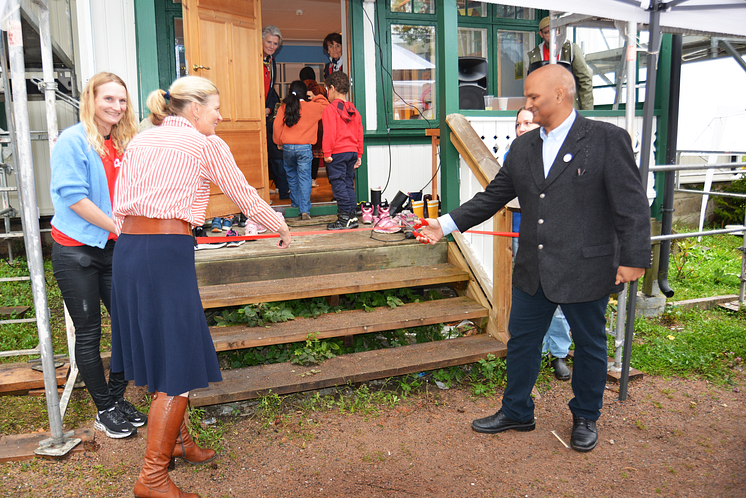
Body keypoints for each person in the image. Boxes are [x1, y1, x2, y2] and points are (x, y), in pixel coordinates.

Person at [416, 64, 650, 452]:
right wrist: (444, 224)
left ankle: (586, 415)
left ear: (560, 94)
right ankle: (517, 411)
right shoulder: (523, 147)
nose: (527, 104)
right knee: (522, 341)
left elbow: (631, 204)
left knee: (590, 345)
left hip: (586, 266)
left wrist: (634, 257)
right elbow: (494, 196)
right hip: (534, 268)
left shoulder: (607, 139)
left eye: (533, 97)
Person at [111, 76, 291, 497]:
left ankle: (176, 442)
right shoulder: (205, 144)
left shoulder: (140, 140)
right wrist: (279, 225)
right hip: (164, 252)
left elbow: (119, 203)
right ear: (193, 110)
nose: (221, 115)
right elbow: (244, 194)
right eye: (215, 107)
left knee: (165, 351)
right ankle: (152, 478)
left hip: (128, 252)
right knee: (176, 363)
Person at [49, 72, 145, 440]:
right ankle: (104, 409)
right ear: (90, 99)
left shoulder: (123, 142)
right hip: (76, 252)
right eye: (109, 99)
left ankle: (116, 399)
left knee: (127, 326)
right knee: (89, 333)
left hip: (114, 249)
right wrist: (119, 227)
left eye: (122, 101)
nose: (117, 108)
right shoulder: (72, 141)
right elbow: (74, 198)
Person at [510, 107, 572, 382]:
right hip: (523, 240)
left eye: (528, 123)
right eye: (518, 124)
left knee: (557, 304)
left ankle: (559, 353)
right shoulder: (515, 153)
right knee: (529, 305)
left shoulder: (560, 153)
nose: (522, 128)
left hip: (558, 245)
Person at [273, 80, 329, 220]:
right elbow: (327, 106)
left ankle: (295, 204)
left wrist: (279, 142)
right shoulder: (313, 107)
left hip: (287, 147)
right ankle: (304, 211)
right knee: (305, 178)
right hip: (304, 147)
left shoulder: (284, 107)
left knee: (291, 176)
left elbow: (276, 126)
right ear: (305, 93)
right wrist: (315, 96)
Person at [322, 71, 363, 230]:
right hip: (352, 152)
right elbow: (360, 134)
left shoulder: (330, 110)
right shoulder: (354, 111)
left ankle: (344, 218)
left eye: (327, 89)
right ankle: (352, 217)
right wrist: (359, 154)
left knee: (338, 184)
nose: (327, 93)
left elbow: (330, 133)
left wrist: (327, 153)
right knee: (348, 184)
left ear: (332, 88)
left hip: (337, 153)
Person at [528, 16, 594, 111]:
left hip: (568, 107)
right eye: (547, 32)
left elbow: (584, 81)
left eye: (555, 30)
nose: (552, 34)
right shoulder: (535, 54)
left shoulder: (571, 49)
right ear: (541, 34)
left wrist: (587, 113)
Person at [263, 25, 290, 201]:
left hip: (265, 113)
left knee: (275, 152)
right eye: (269, 42)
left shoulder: (272, 61)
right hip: (251, 112)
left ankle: (283, 190)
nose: (272, 46)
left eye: (275, 44)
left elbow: (271, 89)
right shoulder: (251, 58)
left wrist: (269, 108)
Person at [300, 66, 327, 188]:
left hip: (306, 125)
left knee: (305, 153)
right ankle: (313, 179)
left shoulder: (301, 88)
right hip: (321, 124)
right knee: (317, 154)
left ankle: (304, 179)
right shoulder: (322, 89)